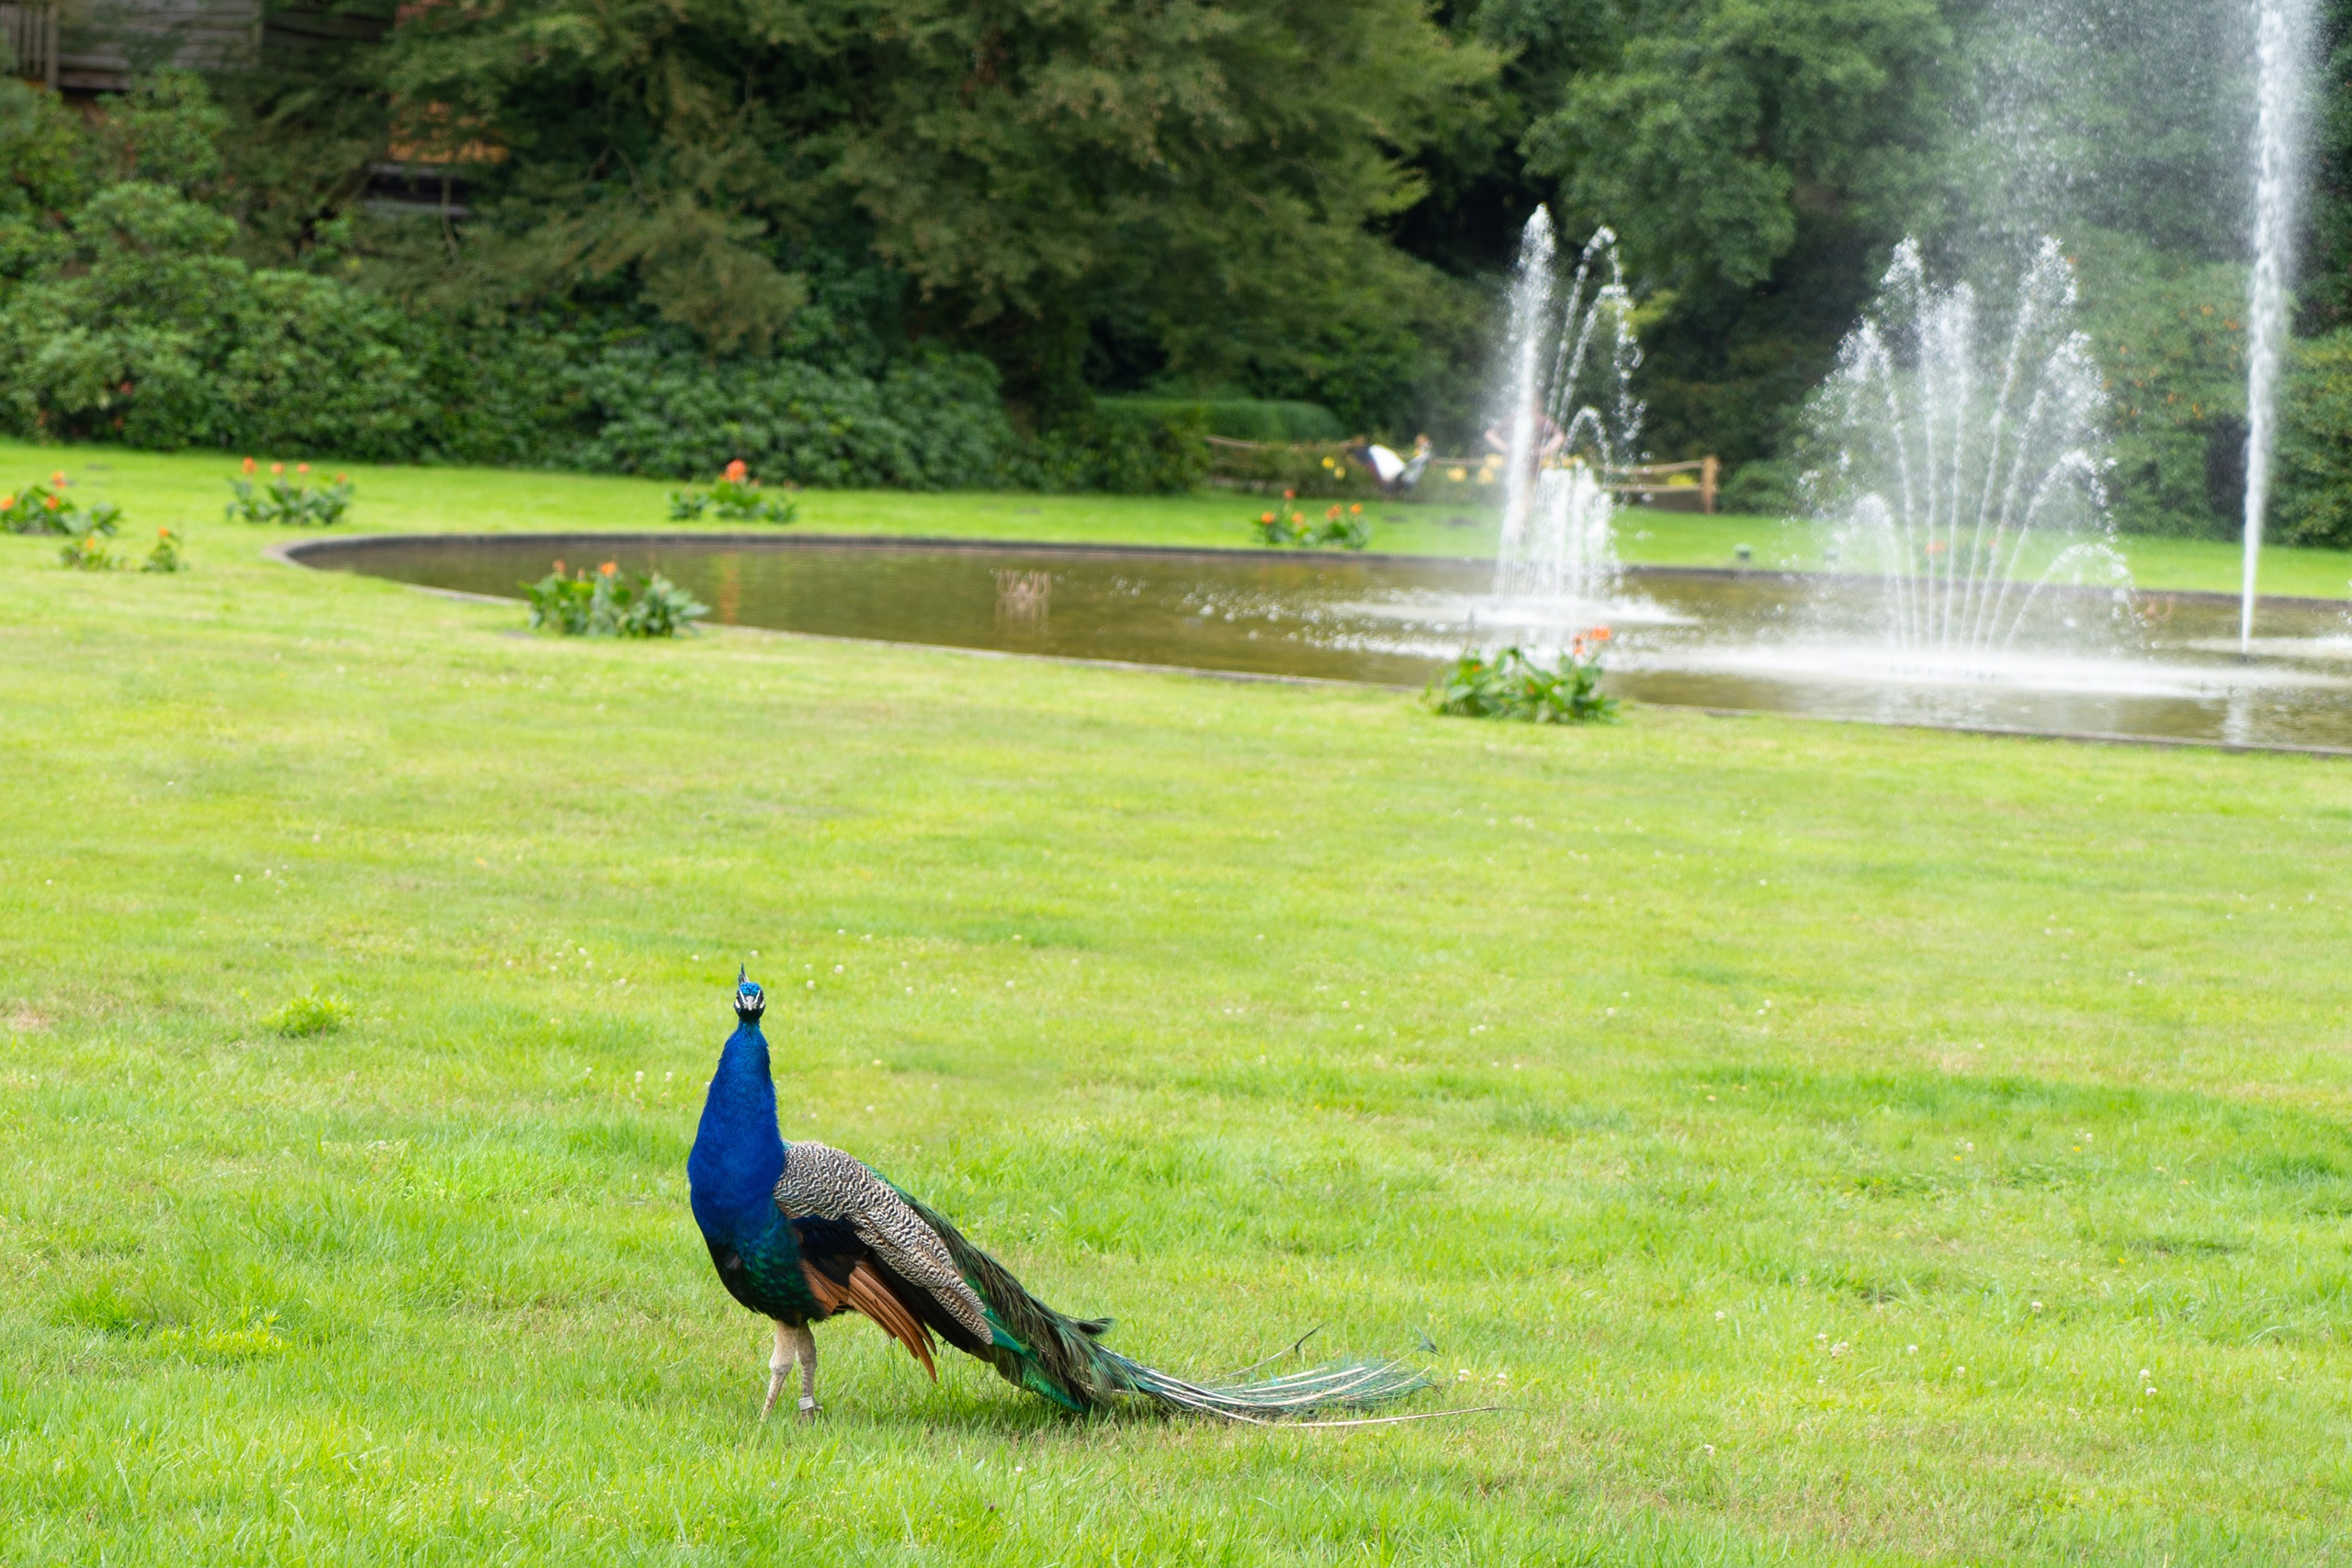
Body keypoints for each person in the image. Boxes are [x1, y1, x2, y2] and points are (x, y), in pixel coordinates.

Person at [1348, 434, 1435, 494]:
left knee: (1397, 480)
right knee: (1398, 480)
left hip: (1393, 471)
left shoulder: (1371, 451)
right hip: (1394, 470)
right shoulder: (1372, 451)